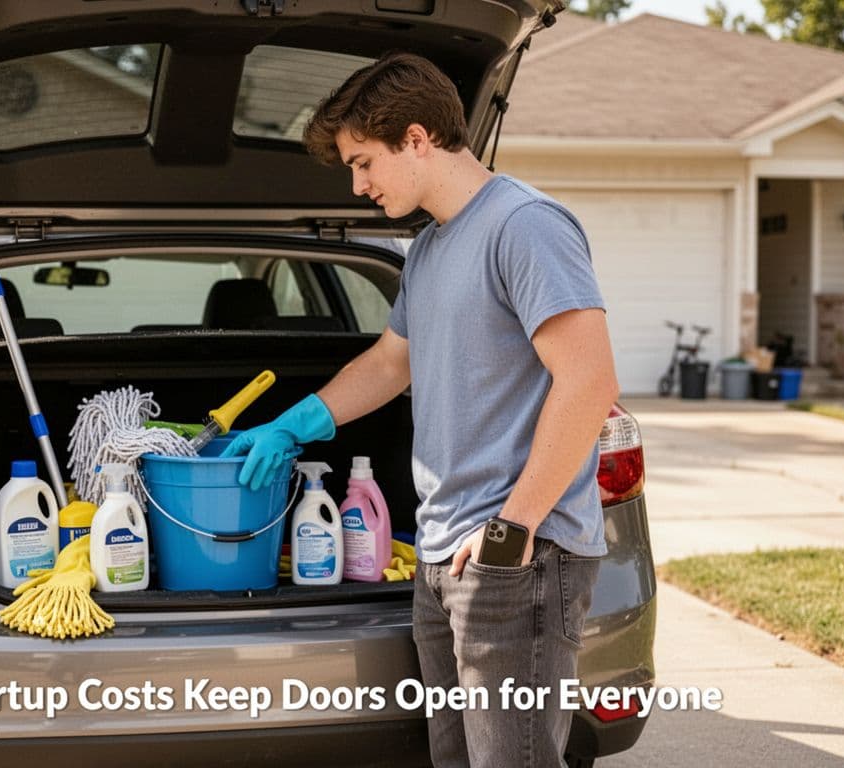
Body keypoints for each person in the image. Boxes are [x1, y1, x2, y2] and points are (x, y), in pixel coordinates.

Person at [221, 52, 619, 767]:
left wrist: (513, 528)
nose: (357, 185)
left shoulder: (524, 226)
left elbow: (588, 383)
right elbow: (388, 363)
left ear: (415, 138)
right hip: (444, 554)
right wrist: (295, 421)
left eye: (364, 162)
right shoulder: (431, 247)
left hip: (516, 555)